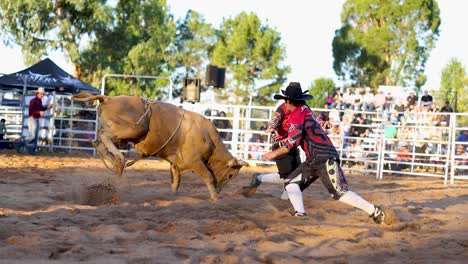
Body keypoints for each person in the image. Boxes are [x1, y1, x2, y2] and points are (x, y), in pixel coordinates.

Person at [259, 82, 389, 224]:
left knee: (340, 193)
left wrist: (272, 154)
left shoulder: (296, 115)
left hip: (324, 158)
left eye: (285, 100)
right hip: (315, 158)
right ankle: (300, 214)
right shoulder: (305, 110)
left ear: (288, 101)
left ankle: (374, 211)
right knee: (291, 183)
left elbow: (291, 144)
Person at [243, 82, 318, 199]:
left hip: (292, 144)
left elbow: (312, 121)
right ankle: (260, 178)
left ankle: (285, 198)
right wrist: (271, 127)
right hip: (281, 144)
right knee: (288, 176)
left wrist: (322, 123)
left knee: (294, 175)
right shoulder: (284, 108)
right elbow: (275, 118)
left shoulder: (303, 108)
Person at [26, 87, 53, 154]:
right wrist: (39, 112)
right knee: (32, 135)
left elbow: (41, 109)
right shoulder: (33, 101)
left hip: (36, 118)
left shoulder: (39, 101)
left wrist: (47, 107)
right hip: (32, 118)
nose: (42, 95)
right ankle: (23, 143)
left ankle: (31, 149)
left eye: (43, 94)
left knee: (34, 136)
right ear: (37, 94)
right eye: (41, 94)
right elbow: (31, 111)